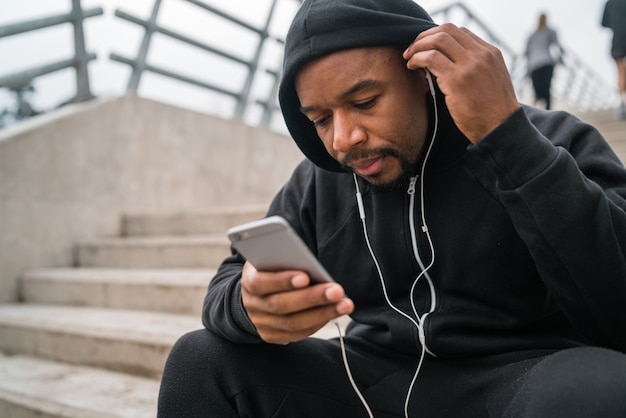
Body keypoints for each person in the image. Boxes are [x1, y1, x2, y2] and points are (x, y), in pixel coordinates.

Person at [157, 0, 626, 417]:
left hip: (518, 379)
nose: (343, 138)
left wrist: (508, 138)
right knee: (200, 361)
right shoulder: (321, 179)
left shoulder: (549, 140)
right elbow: (227, 282)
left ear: (424, 76)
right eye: (320, 119)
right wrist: (248, 304)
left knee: (604, 389)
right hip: (371, 384)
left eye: (364, 101)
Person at [524, 13, 562, 110]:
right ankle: (547, 112)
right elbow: (557, 46)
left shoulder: (532, 35)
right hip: (546, 63)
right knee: (546, 89)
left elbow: (526, 53)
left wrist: (527, 69)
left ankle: (536, 112)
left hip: (534, 65)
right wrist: (561, 59)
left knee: (538, 91)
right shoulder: (550, 31)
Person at [602, 0, 626, 119]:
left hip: (618, 40)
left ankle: (623, 103)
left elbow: (603, 23)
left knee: (620, 71)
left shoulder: (610, 3)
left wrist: (616, 22)